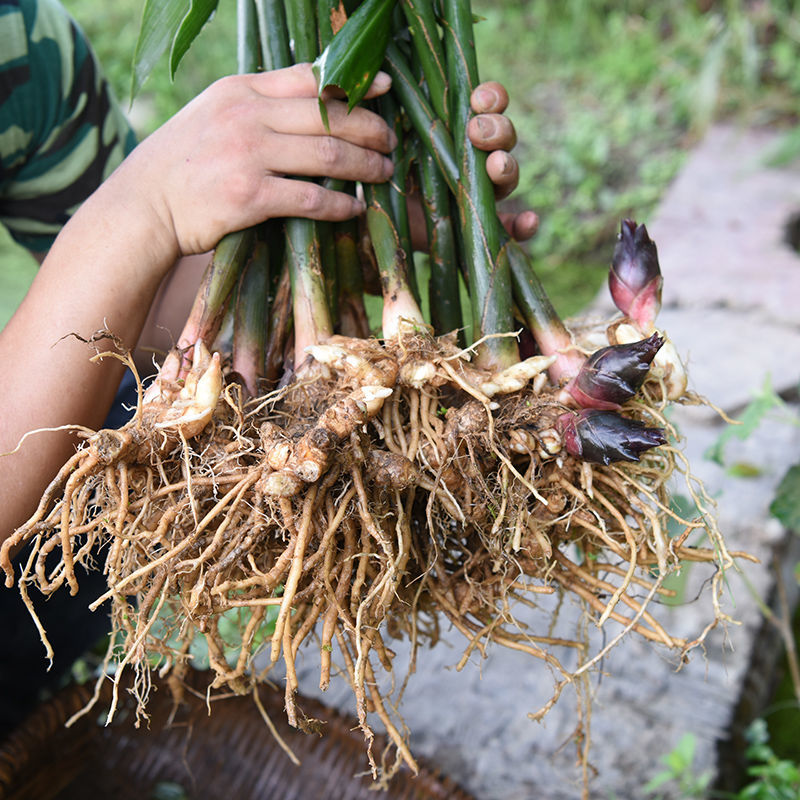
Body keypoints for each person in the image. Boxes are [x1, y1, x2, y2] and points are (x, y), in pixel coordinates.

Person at [0, 0, 536, 735]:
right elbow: (125, 230)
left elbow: (126, 302)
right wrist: (141, 205)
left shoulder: (22, 48)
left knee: (134, 426)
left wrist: (346, 216)